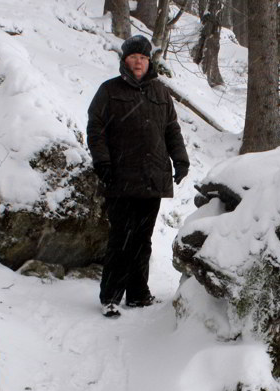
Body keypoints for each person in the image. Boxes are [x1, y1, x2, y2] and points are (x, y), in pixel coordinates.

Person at [87, 35, 189, 318]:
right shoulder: (109, 90)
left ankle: (138, 294)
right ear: (125, 61)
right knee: (121, 238)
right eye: (133, 58)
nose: (138, 63)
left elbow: (172, 130)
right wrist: (103, 163)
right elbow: (96, 129)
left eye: (143, 58)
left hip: (152, 179)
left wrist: (180, 160)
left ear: (149, 62)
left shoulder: (160, 93)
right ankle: (110, 296)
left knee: (143, 239)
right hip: (120, 178)